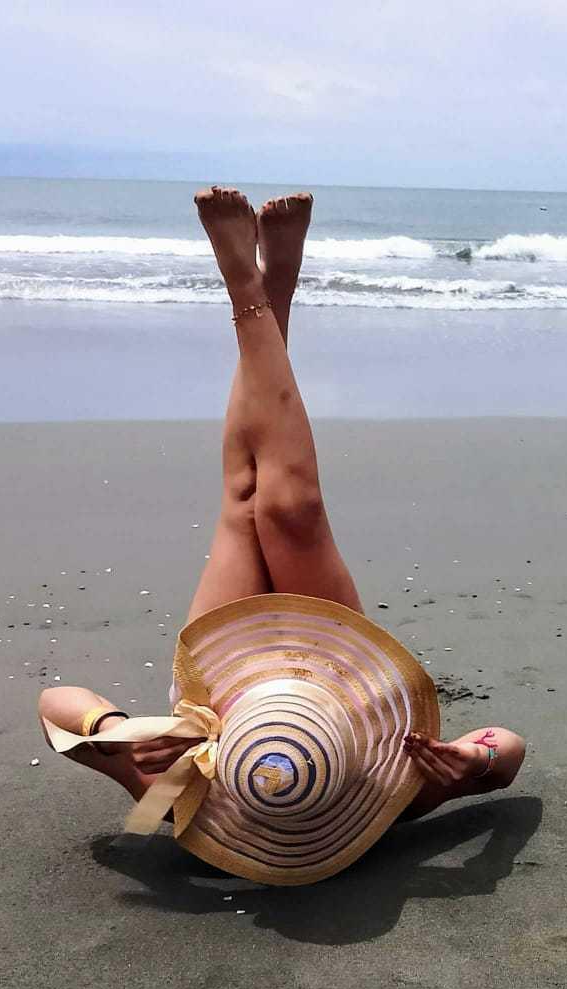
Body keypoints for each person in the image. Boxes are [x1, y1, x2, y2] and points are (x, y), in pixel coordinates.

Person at [38, 187, 525, 828]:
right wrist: (474, 762)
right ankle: (268, 291)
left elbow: (55, 702)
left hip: (221, 695)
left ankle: (258, 292)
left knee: (247, 499)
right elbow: (508, 747)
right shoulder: (391, 799)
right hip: (337, 682)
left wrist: (118, 732)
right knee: (290, 509)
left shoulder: (174, 795)